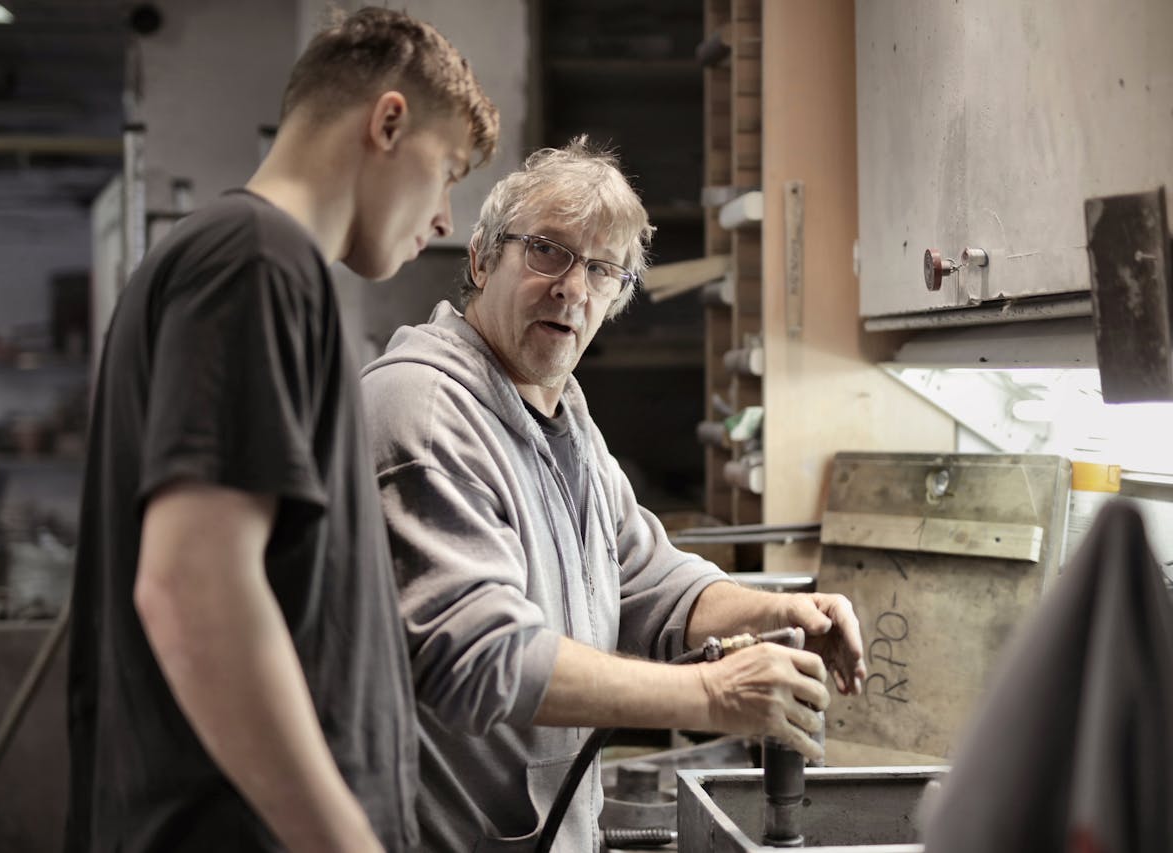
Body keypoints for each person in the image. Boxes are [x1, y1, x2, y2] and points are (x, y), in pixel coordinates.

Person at [64, 9, 497, 853]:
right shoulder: (255, 261)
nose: (446, 216)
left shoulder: (246, 263)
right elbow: (193, 588)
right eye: (448, 172)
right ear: (389, 120)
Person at [361, 137, 867, 852]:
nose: (574, 287)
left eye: (603, 270)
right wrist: (715, 695)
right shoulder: (422, 409)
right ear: (480, 259)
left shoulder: (562, 413)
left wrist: (777, 609)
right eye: (547, 251)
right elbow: (481, 655)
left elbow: (645, 578)